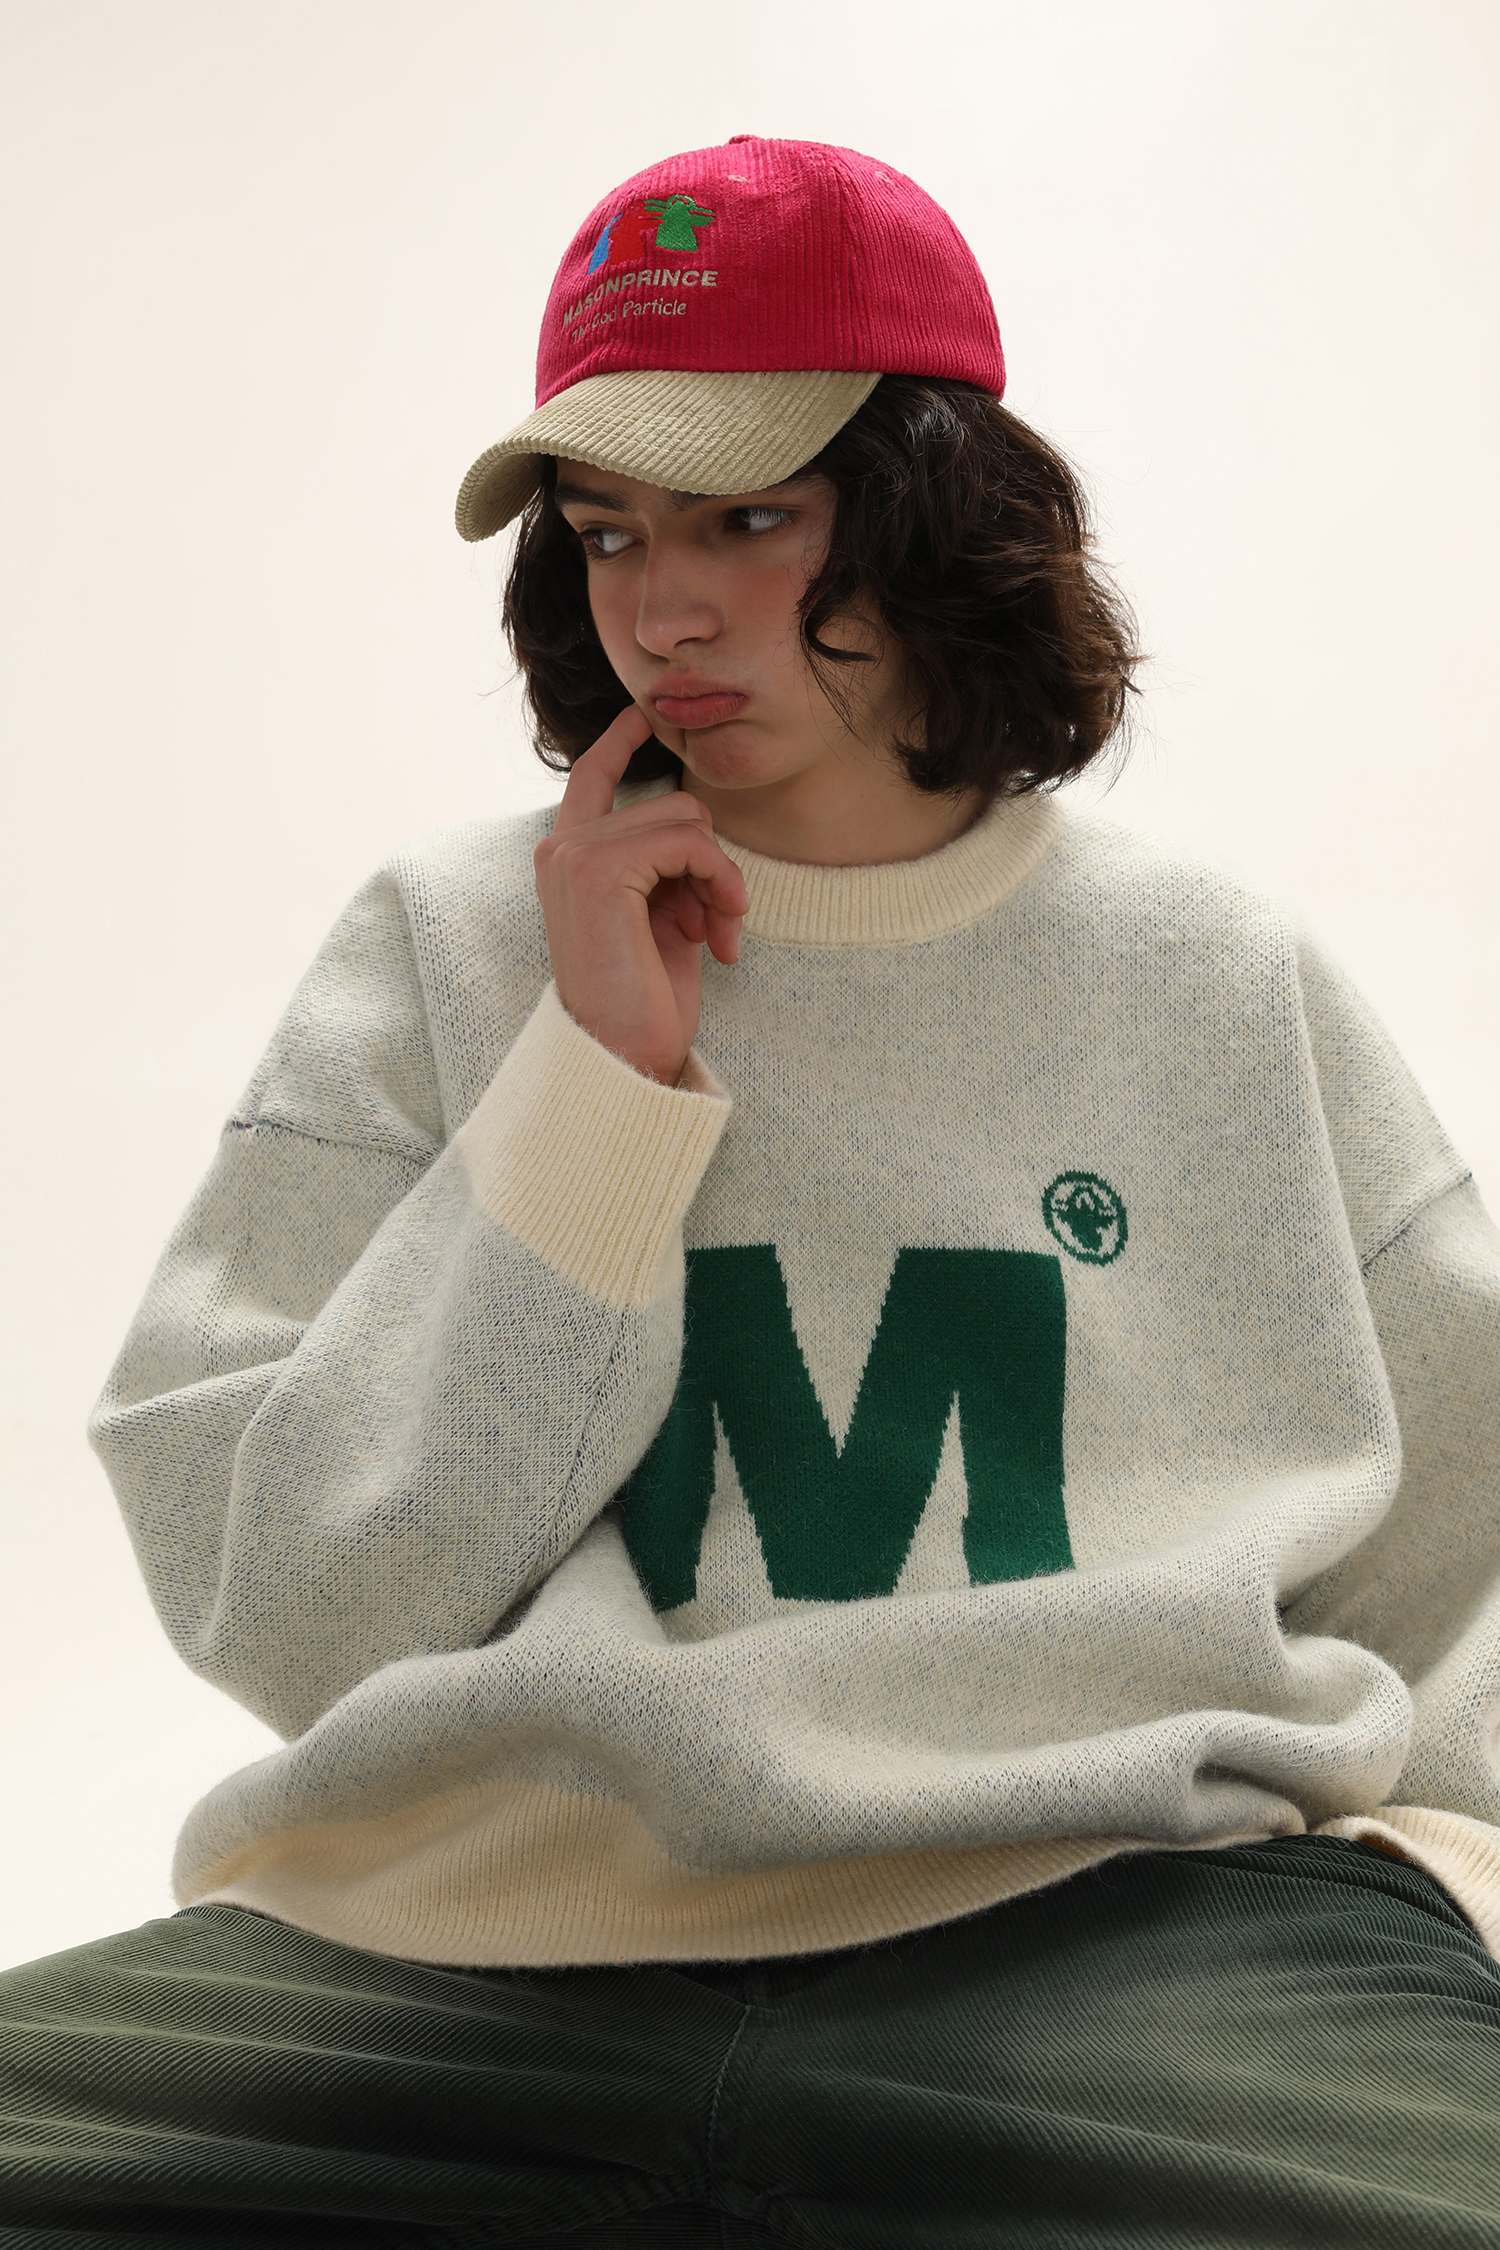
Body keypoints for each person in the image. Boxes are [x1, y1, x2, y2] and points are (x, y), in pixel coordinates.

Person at [2, 133, 1499, 2248]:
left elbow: (1469, 1530)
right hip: (464, 1954)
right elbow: (300, 1612)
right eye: (606, 530)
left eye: (749, 517)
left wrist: (1439, 1876)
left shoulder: (1208, 977)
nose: (662, 609)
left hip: (1132, 1925)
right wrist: (599, 1086)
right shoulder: (448, 946)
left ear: (943, 513)